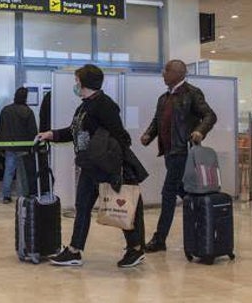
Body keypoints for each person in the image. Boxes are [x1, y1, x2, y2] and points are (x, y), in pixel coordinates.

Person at [37, 64, 148, 268]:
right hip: (90, 166)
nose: (75, 84)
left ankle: (136, 248)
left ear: (85, 82)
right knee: (83, 207)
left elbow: (121, 136)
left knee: (121, 206)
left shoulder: (105, 105)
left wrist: (115, 165)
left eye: (77, 81)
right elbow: (74, 131)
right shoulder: (84, 106)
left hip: (106, 166)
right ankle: (74, 250)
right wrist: (52, 134)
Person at [141, 59, 217, 252]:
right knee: (185, 191)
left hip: (183, 151)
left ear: (179, 73)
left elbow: (210, 115)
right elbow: (157, 121)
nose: (163, 73)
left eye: (166, 70)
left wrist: (200, 131)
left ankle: (160, 239)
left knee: (168, 193)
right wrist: (149, 135)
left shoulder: (192, 93)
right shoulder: (164, 98)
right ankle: (206, 222)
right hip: (169, 152)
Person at [0, 87, 38, 203]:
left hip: (9, 147)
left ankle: (6, 196)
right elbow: (32, 130)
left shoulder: (6, 110)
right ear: (25, 97)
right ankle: (22, 196)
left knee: (8, 171)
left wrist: (0, 145)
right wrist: (33, 146)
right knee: (22, 172)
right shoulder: (28, 111)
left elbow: (1, 128)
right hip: (24, 147)